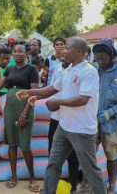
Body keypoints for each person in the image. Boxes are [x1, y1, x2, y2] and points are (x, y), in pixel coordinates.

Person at [16, 37, 107, 194]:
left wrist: (58, 102)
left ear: (78, 51)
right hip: (64, 127)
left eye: (67, 48)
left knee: (90, 170)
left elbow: (83, 99)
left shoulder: (89, 72)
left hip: (82, 130)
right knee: (53, 164)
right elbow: (52, 89)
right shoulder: (67, 70)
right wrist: (30, 92)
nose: (63, 51)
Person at [0, 42, 40, 192]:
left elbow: (34, 94)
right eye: (15, 51)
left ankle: (32, 179)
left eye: (20, 51)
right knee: (12, 143)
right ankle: (14, 177)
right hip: (10, 109)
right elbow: (0, 86)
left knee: (25, 145)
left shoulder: (32, 69)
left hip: (24, 108)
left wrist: (25, 112)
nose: (16, 53)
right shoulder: (9, 68)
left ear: (26, 53)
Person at [32, 55, 80, 193]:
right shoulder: (59, 69)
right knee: (52, 153)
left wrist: (59, 104)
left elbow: (80, 98)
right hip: (56, 117)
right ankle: (49, 188)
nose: (63, 57)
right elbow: (51, 89)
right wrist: (34, 95)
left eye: (67, 55)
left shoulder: (83, 73)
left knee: (73, 155)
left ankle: (74, 187)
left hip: (72, 119)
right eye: (62, 56)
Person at [93, 38, 117, 193]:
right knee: (89, 153)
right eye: (97, 58)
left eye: (103, 58)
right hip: (92, 120)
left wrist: (110, 112)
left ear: (112, 55)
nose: (100, 61)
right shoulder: (95, 68)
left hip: (111, 121)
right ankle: (89, 183)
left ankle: (111, 186)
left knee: (111, 154)